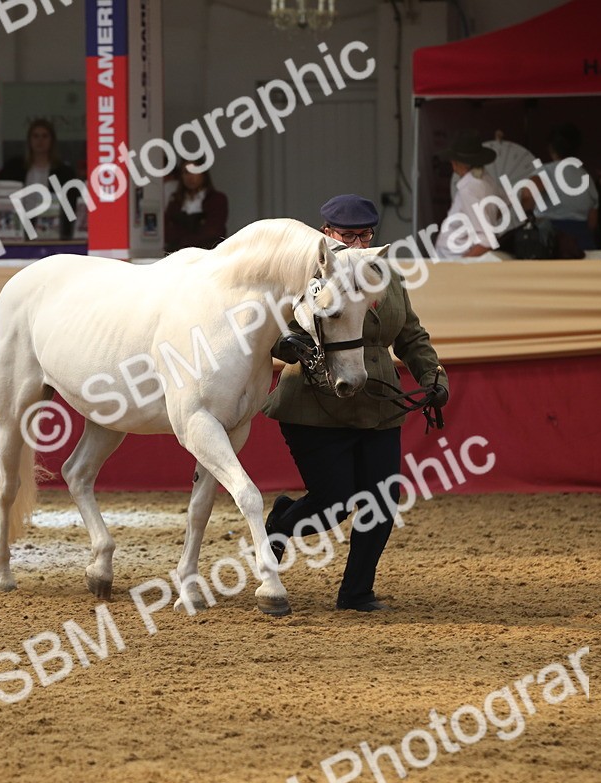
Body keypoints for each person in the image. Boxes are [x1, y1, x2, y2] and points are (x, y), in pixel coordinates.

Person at [262, 194, 450, 612]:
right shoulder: (302, 276)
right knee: (333, 504)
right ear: (327, 235)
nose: (360, 243)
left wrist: (433, 377)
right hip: (314, 404)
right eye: (349, 235)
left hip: (377, 402)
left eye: (366, 234)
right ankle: (279, 524)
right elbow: (271, 332)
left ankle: (356, 592)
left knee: (383, 499)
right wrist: (288, 344)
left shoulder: (386, 274)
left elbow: (411, 335)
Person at [0, 118, 79, 238]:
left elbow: (73, 205)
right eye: (35, 136)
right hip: (17, 229)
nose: (40, 141)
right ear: (29, 140)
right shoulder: (14, 168)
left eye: (45, 136)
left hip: (52, 232)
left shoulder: (64, 172)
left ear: (52, 141)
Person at [434, 130, 504, 259]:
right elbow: (501, 206)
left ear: (456, 163)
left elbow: (486, 240)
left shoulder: (470, 189)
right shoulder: (487, 180)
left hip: (455, 259)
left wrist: (463, 266)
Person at [533, 124, 598, 252]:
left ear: (551, 148)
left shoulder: (546, 171)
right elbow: (593, 222)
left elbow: (527, 195)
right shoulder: (586, 176)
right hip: (581, 244)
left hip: (551, 244)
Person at [164, 161, 228, 251]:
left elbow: (213, 231)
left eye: (195, 171)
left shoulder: (216, 199)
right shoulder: (175, 200)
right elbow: (167, 231)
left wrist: (184, 237)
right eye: (186, 172)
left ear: (203, 174)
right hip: (178, 254)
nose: (190, 177)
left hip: (208, 254)